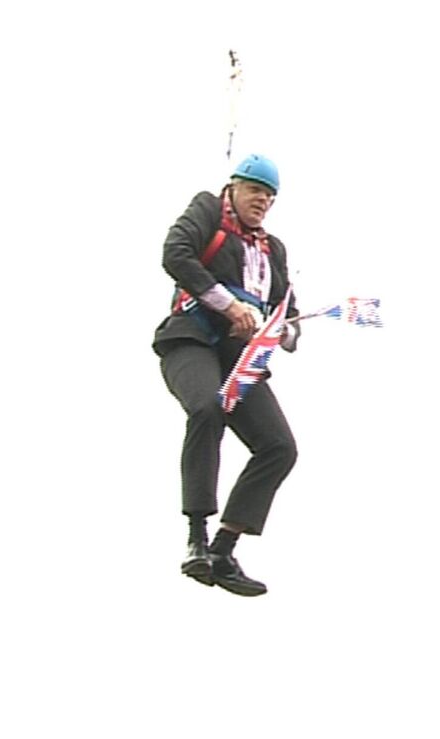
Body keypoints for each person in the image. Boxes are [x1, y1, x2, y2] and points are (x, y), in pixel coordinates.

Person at [153, 153, 301, 597]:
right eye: (256, 191)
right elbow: (175, 254)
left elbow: (286, 308)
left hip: (241, 357)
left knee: (279, 447)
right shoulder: (206, 211)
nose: (263, 202)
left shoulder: (271, 249)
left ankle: (224, 547)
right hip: (193, 340)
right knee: (207, 408)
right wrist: (228, 304)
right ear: (234, 187)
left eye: (270, 197)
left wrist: (286, 329)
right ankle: (196, 538)